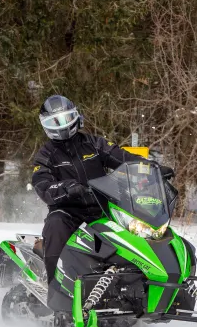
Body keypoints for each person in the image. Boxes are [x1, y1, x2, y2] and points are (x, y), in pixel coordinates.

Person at [31, 95, 173, 284]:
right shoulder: (46, 155)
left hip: (103, 208)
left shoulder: (95, 144)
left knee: (138, 228)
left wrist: (150, 168)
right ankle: (55, 287)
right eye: (54, 122)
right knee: (55, 225)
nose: (62, 126)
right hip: (68, 212)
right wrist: (68, 188)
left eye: (66, 118)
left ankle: (142, 283)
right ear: (46, 125)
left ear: (75, 116)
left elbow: (122, 157)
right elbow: (42, 184)